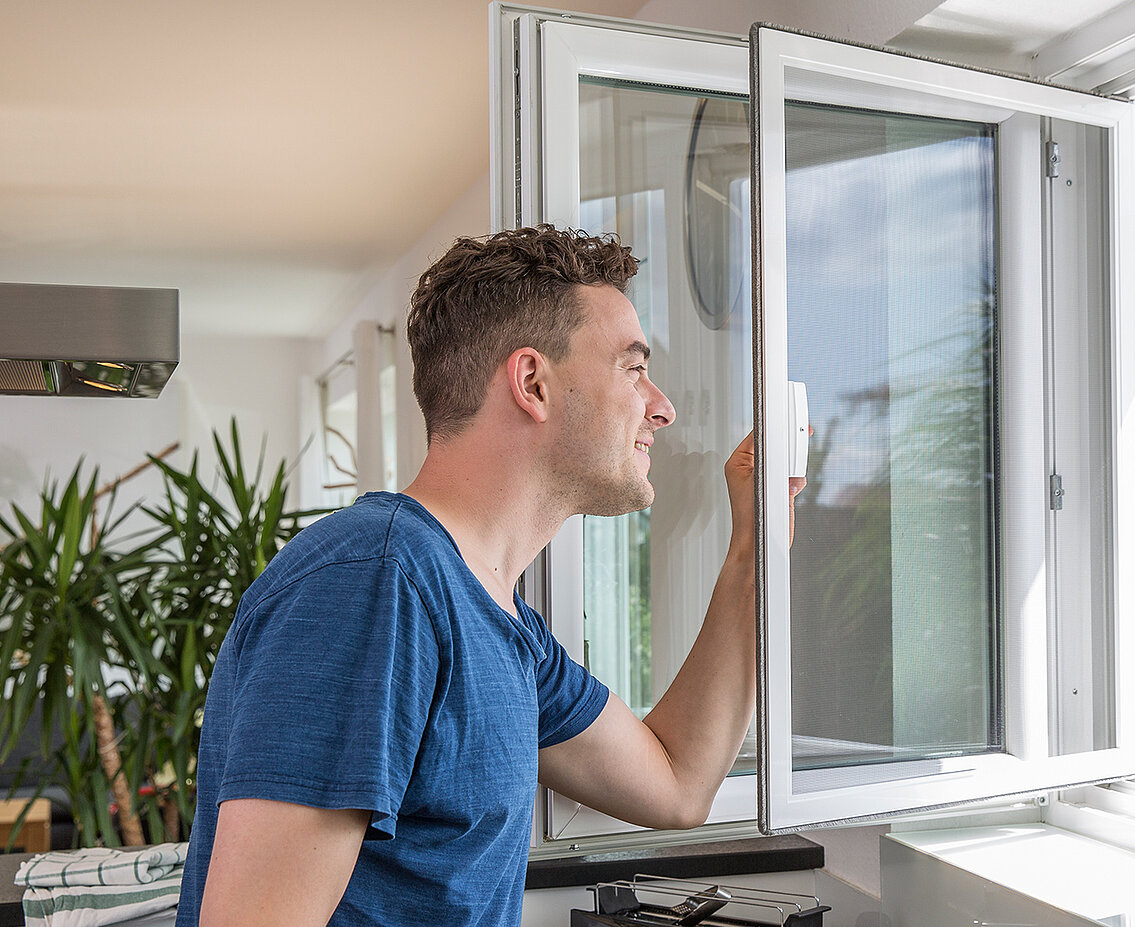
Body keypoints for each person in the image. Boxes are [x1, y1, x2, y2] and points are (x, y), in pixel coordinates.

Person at [175, 225, 802, 927]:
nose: (662, 405)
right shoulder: (374, 584)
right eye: (633, 367)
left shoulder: (501, 625)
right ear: (532, 381)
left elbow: (678, 781)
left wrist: (754, 544)